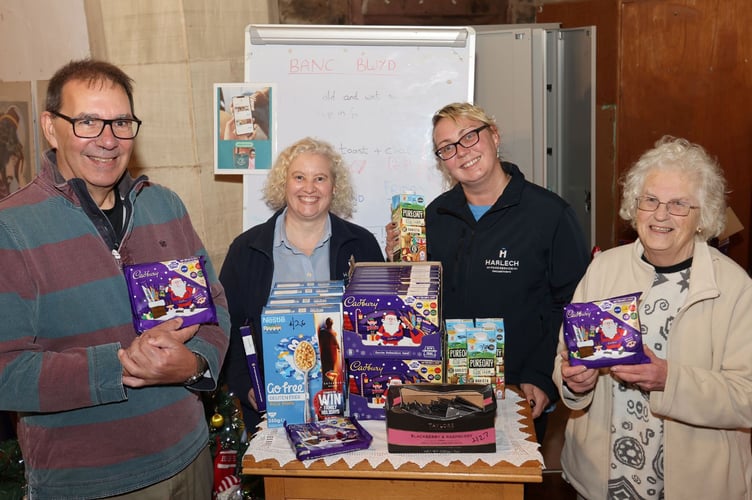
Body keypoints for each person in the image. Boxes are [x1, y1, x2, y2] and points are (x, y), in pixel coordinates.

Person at [0, 59, 230, 499]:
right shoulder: (11, 229)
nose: (108, 140)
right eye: (87, 121)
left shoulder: (164, 206)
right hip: (91, 485)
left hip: (190, 458)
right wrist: (120, 366)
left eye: (121, 122)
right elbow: (5, 369)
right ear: (51, 128)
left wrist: (194, 363)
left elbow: (215, 306)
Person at [554, 136, 752, 499]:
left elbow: (747, 397)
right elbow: (565, 356)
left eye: (679, 204)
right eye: (651, 200)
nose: (661, 215)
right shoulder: (603, 268)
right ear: (635, 205)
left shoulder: (735, 288)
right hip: (603, 482)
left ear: (702, 215)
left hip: (697, 486)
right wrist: (575, 382)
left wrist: (669, 379)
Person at [385, 102, 589, 441]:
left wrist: (540, 375)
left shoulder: (550, 215)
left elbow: (571, 304)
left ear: (493, 136)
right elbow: (420, 302)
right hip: (443, 387)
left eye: (468, 137)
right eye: (447, 148)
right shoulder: (434, 217)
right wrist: (400, 262)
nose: (462, 152)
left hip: (518, 388)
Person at [220, 136, 384, 432]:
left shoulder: (362, 246)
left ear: (334, 187)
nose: (309, 188)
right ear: (284, 184)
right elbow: (226, 329)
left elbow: (379, 325)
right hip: (274, 412)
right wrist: (247, 388)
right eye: (299, 177)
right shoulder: (246, 250)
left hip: (351, 408)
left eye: (320, 178)